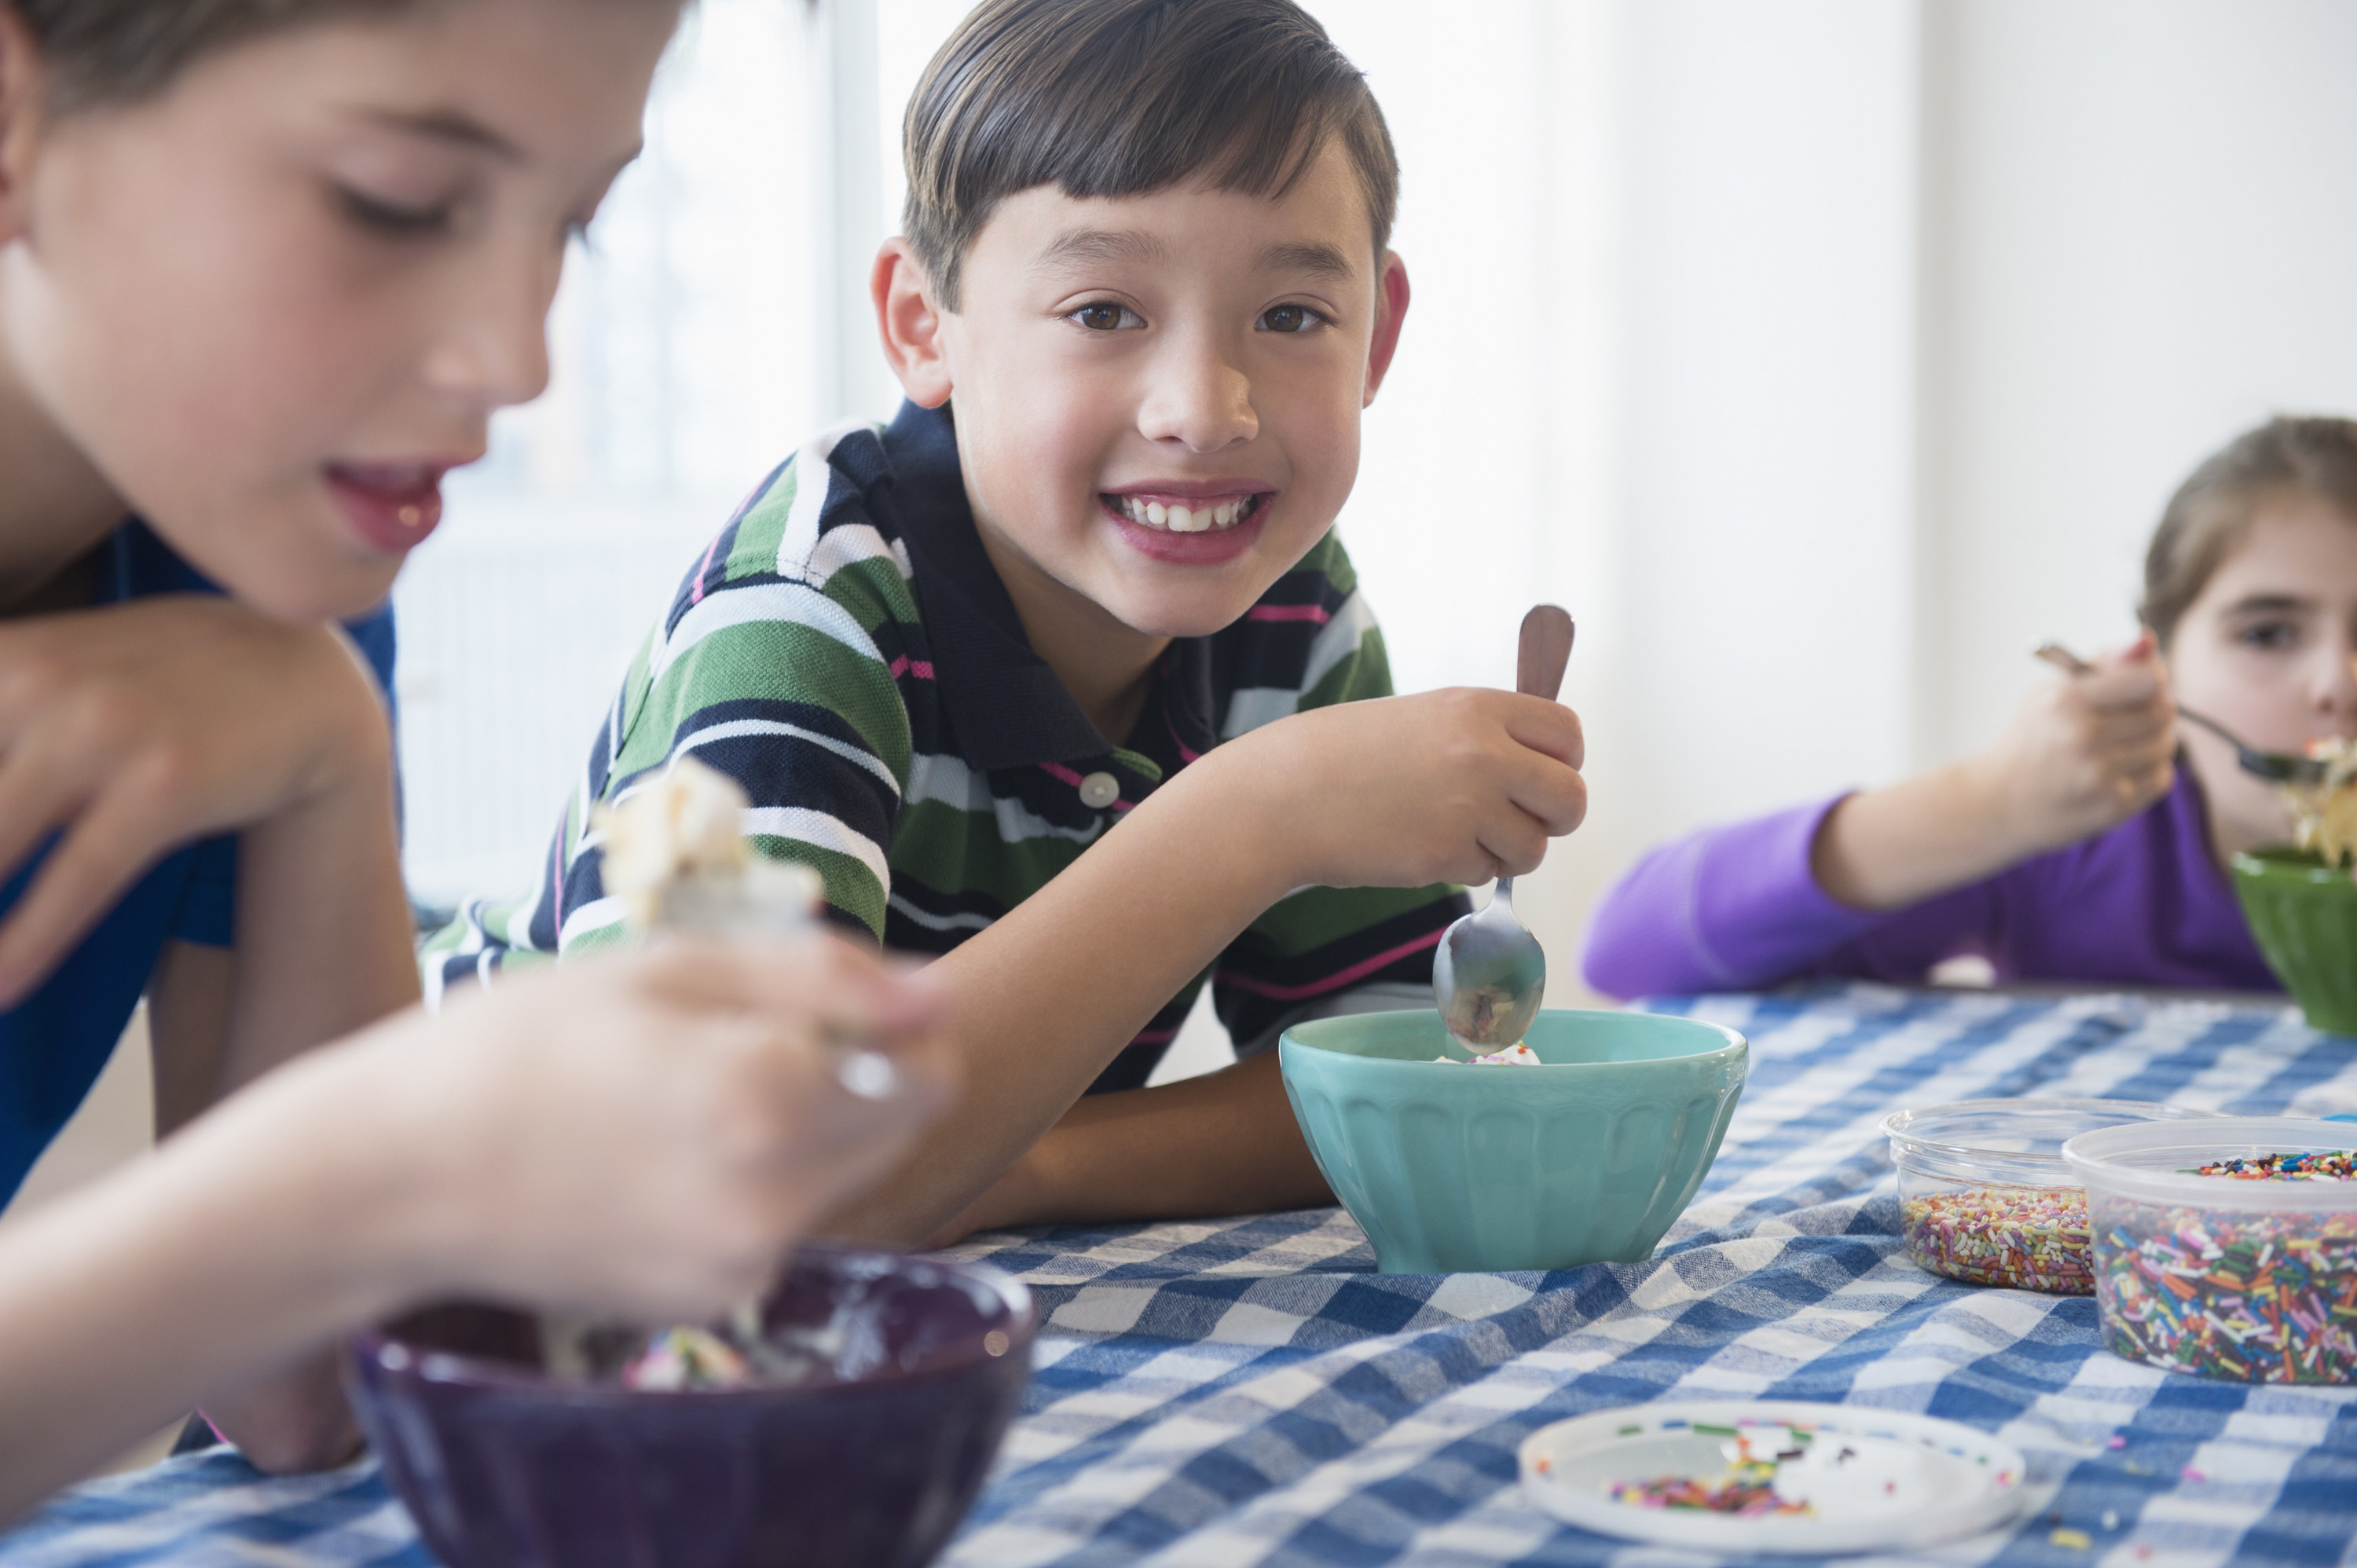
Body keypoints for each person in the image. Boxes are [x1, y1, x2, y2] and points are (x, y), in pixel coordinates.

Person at [427, 0, 1589, 1247]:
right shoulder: (806, 607)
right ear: (923, 325)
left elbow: (1391, 1085)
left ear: (1381, 334)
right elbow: (734, 1166)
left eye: (1293, 315)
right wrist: (1256, 816)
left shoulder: (1288, 605)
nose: (1205, 410)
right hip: (471, 1268)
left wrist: (1016, 1168)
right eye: (1103, 312)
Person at [0, 0, 950, 1519]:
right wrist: (391, 1156)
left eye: (571, 226)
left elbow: (303, 1396)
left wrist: (324, 737)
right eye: (397, 201)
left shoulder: (265, 583)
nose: (520, 363)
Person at [1582, 416, 2357, 998]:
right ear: (2157, 663)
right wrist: (1989, 803)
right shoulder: (2074, 847)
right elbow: (1627, 950)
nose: (2337, 687)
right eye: (2267, 632)